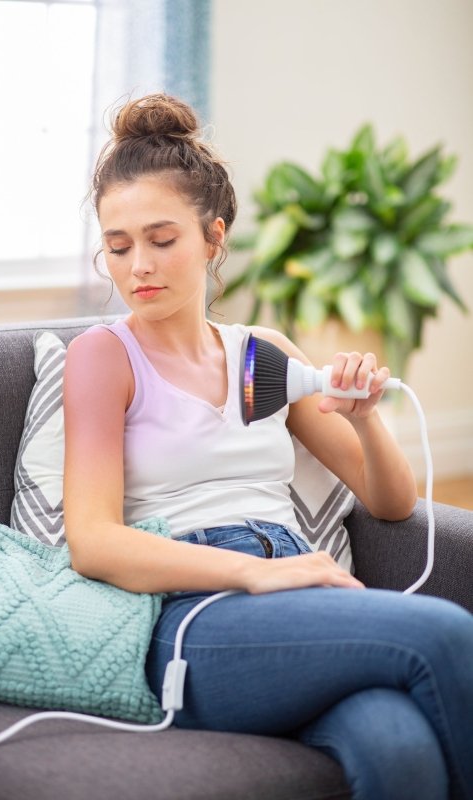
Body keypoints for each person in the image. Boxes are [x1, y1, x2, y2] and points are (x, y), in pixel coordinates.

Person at [63, 93, 473, 800]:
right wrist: (251, 573)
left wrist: (365, 419)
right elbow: (93, 542)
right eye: (118, 246)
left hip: (298, 591)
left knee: (398, 749)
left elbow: (393, 501)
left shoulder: (262, 356)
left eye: (162, 240)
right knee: (443, 632)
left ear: (214, 237)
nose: (138, 267)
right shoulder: (105, 357)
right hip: (192, 616)